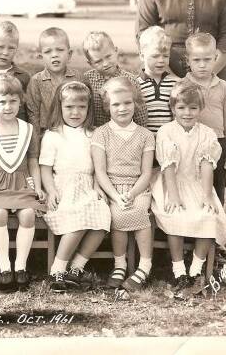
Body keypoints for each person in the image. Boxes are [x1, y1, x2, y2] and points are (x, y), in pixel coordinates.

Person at [136, 0, 226, 186]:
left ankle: (212, 210)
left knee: (210, 144)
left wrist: (205, 75)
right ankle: (164, 216)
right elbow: (144, 32)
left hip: (212, 70)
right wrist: (172, 76)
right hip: (165, 73)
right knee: (169, 148)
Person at [150, 80, 226, 294]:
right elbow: (168, 166)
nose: (187, 113)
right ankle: (178, 269)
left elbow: (206, 166)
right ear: (173, 108)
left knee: (207, 215)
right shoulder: (166, 132)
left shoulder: (207, 134)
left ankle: (196, 268)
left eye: (193, 108)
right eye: (181, 107)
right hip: (171, 182)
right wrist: (173, 197)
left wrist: (206, 196)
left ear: (200, 109)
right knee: (176, 215)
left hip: (197, 183)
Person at [0, 75, 45, 292]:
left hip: (22, 182)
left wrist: (38, 186)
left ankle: (20, 267)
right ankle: (5, 268)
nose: (8, 107)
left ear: (21, 101)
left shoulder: (28, 130)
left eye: (13, 101)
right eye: (2, 101)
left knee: (27, 214)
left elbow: (33, 160)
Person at [39, 81, 111, 292]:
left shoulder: (93, 133)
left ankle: (77, 268)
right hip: (64, 187)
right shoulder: (53, 135)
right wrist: (51, 191)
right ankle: (57, 269)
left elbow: (99, 166)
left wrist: (98, 186)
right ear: (60, 107)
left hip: (87, 186)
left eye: (81, 107)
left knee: (102, 218)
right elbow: (45, 168)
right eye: (69, 107)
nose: (75, 112)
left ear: (88, 109)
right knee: (77, 218)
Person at [91, 77, 155, 292]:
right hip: (112, 187)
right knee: (117, 213)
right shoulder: (101, 133)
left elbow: (146, 172)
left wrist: (133, 192)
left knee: (138, 211)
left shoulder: (146, 135)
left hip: (139, 187)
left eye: (127, 103)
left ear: (135, 104)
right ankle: (120, 265)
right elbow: (100, 171)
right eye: (116, 104)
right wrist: (116, 196)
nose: (122, 108)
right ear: (107, 107)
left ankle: (145, 265)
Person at [182, 33, 226, 205]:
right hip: (191, 143)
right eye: (196, 60)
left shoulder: (223, 86)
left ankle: (217, 227)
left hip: (217, 143)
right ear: (188, 60)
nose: (202, 65)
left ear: (216, 58)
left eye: (207, 59)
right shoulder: (183, 85)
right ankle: (195, 228)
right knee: (192, 188)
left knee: (217, 187)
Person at [26, 27, 85, 138]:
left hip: (75, 134)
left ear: (69, 54)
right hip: (46, 135)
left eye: (60, 50)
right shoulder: (36, 81)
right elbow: (33, 115)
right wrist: (36, 147)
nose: (54, 55)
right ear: (41, 56)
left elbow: (87, 109)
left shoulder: (79, 78)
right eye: (48, 51)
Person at [82, 31, 147, 128]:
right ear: (90, 63)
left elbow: (140, 112)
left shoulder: (130, 80)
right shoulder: (87, 80)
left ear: (116, 51)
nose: (105, 63)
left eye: (108, 56)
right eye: (98, 61)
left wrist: (140, 131)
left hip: (124, 131)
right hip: (95, 133)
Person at [0, 20, 31, 125]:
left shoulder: (24, 77)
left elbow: (30, 109)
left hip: (18, 133)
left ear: (17, 49)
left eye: (11, 48)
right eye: (0, 47)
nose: (5, 52)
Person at [136, 26, 180, 134]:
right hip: (145, 141)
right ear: (142, 56)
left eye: (165, 56)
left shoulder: (175, 84)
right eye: (155, 56)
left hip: (168, 140)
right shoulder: (136, 84)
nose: (161, 60)